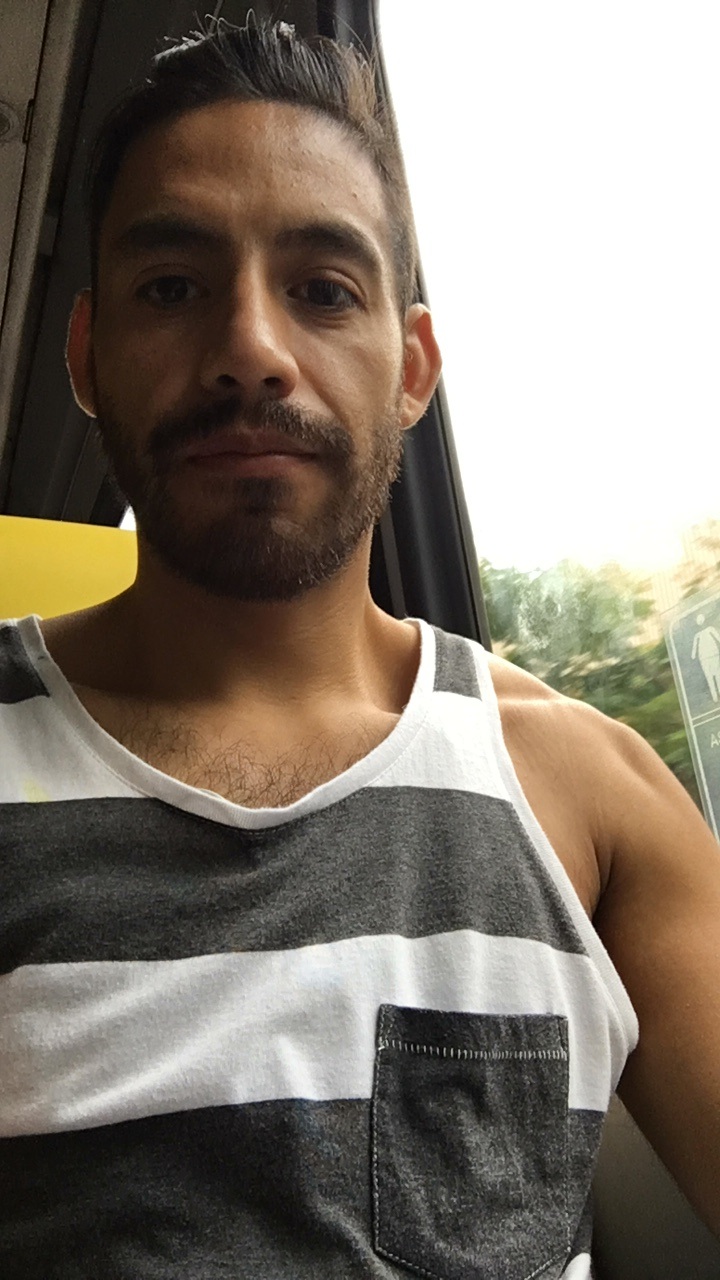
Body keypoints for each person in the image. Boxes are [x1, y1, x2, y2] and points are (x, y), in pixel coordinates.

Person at [0, 16, 719, 1279]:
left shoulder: (594, 794)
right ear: (86, 355)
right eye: (172, 287)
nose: (251, 350)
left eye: (325, 290)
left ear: (413, 367)